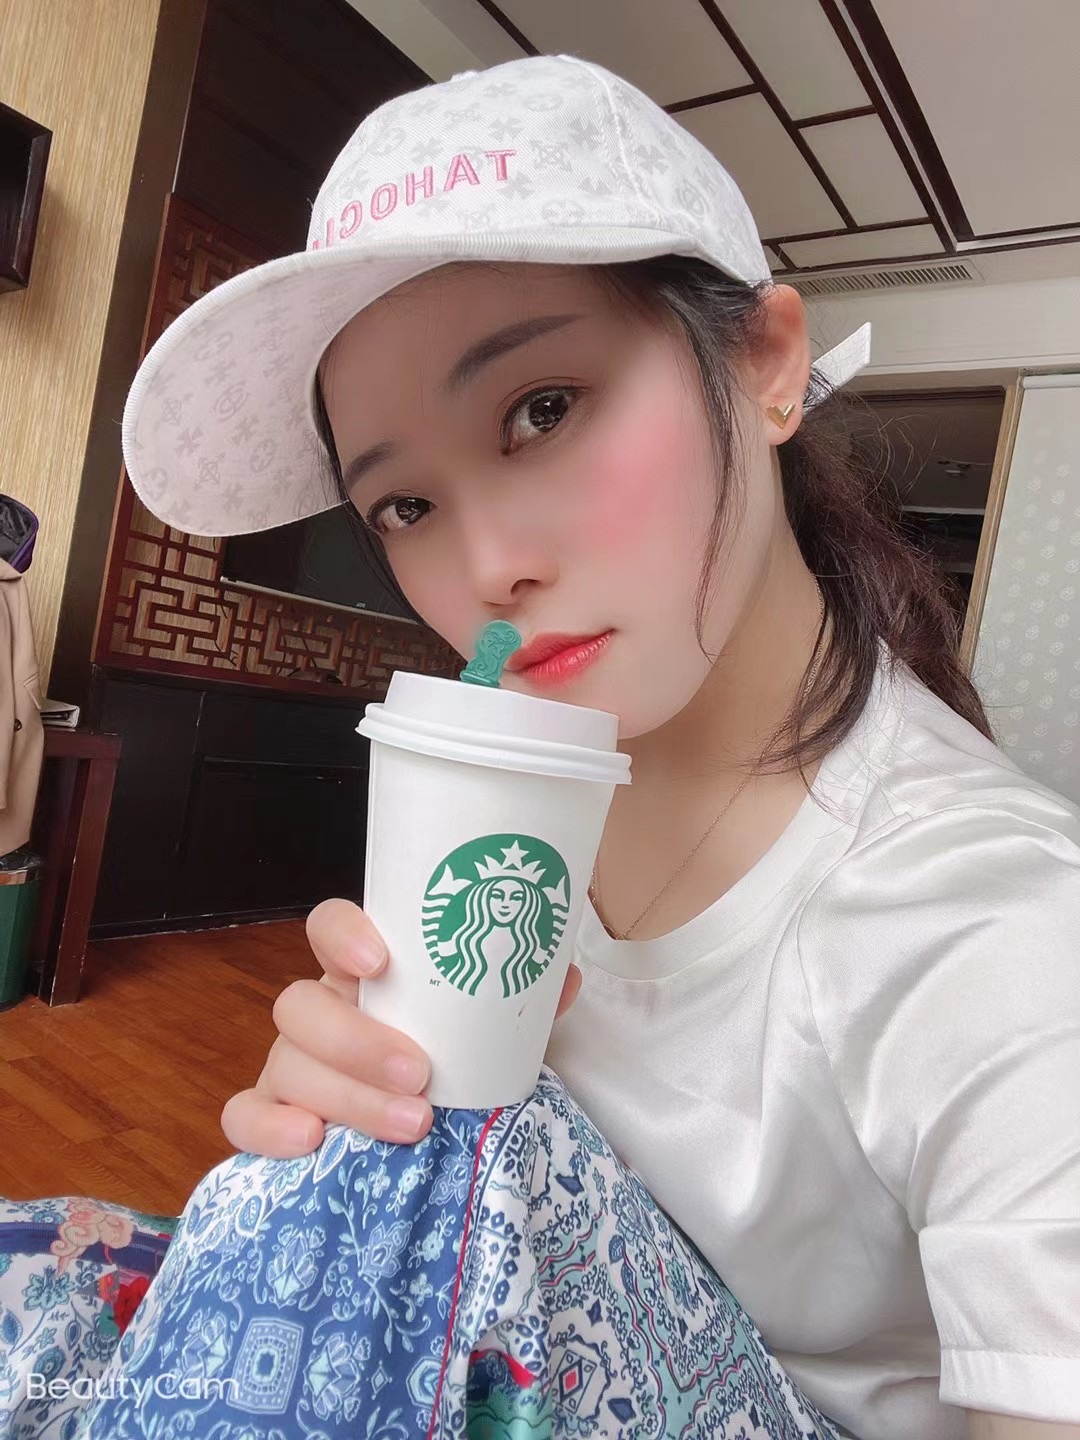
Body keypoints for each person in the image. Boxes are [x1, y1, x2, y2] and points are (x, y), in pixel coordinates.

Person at [5, 52, 1077, 1440]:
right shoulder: (524, 803)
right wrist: (353, 1114)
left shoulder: (1000, 926)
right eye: (403, 505)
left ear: (764, 363)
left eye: (542, 410)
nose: (486, 568)